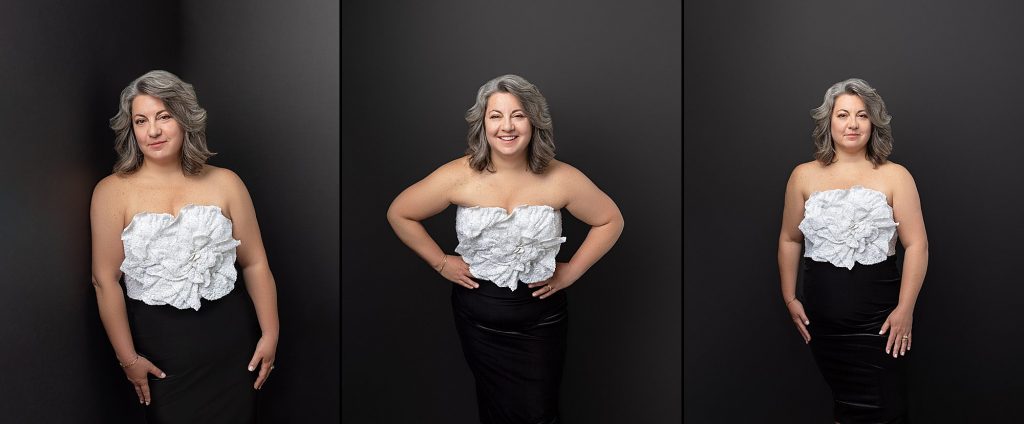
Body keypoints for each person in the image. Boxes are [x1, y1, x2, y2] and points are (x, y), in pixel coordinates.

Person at [387, 74, 624, 423]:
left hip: (541, 321)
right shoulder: (459, 175)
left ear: (534, 121)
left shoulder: (561, 177)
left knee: (539, 414)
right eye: (496, 116)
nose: (507, 126)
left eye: (518, 115)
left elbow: (610, 220)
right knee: (495, 412)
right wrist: (440, 263)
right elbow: (400, 212)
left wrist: (572, 270)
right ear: (483, 123)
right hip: (477, 320)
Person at [90, 70, 280, 423]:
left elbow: (254, 264)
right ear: (131, 129)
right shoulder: (111, 191)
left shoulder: (226, 182)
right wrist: (128, 359)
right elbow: (104, 280)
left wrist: (270, 333)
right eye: (141, 120)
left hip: (230, 347)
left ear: (185, 118)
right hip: (161, 353)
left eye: (164, 116)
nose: (153, 131)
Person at [778, 78, 928, 423]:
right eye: (843, 114)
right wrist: (789, 297)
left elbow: (917, 244)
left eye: (862, 115)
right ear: (828, 122)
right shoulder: (803, 176)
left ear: (873, 122)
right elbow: (789, 239)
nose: (852, 123)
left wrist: (905, 309)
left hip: (880, 321)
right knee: (846, 408)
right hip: (825, 322)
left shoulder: (896, 176)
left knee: (886, 410)